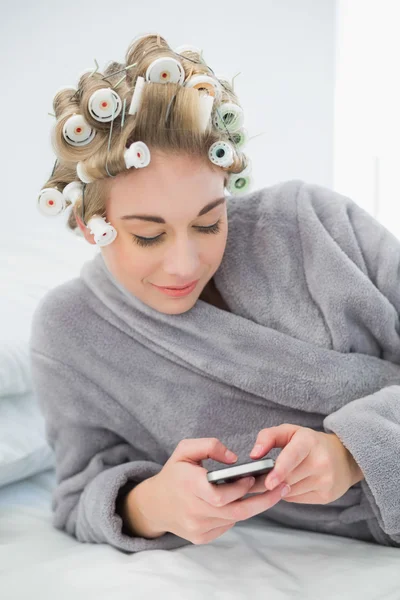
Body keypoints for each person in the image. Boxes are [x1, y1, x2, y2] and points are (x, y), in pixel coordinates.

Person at [30, 33, 400, 554]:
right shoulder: (70, 331)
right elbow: (77, 495)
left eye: (209, 223)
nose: (184, 264)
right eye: (148, 235)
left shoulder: (311, 224)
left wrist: (357, 451)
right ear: (90, 225)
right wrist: (153, 504)